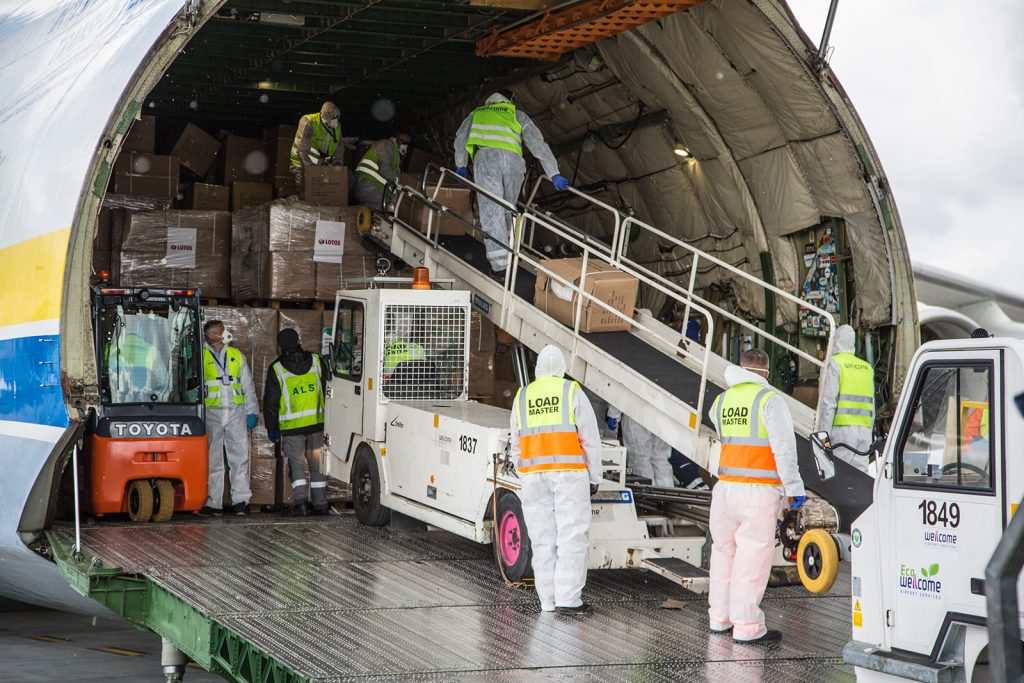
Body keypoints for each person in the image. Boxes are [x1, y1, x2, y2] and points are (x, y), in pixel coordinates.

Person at [708, 348, 806, 643]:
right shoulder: (769, 400)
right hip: (757, 491)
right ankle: (747, 626)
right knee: (752, 556)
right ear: (765, 373)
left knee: (724, 553)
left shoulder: (722, 401)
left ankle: (719, 618)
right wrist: (795, 493)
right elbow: (784, 451)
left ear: (740, 367)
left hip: (725, 488)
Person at [509, 345, 603, 616]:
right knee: (571, 537)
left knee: (542, 540)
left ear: (538, 369)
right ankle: (569, 599)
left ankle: (548, 601)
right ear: (562, 368)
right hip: (568, 475)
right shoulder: (571, 391)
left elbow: (515, 442)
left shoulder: (523, 396)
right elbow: (590, 438)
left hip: (533, 478)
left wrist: (523, 471)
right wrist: (594, 476)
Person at [453, 90, 569, 278]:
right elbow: (538, 144)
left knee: (492, 212)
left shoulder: (477, 114)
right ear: (509, 101)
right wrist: (553, 173)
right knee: (508, 210)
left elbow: (461, 138)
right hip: (514, 162)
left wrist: (461, 164)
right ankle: (509, 253)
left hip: (487, 159)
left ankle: (500, 266)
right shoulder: (517, 114)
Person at [264, 328, 332, 516]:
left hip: (292, 429)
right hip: (318, 425)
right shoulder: (317, 361)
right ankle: (320, 504)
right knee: (317, 463)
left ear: (280, 346)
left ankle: (301, 503)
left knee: (297, 465)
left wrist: (272, 428)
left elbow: (271, 401)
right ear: (298, 341)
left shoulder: (276, 368)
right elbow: (330, 388)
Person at [199, 320, 258, 516]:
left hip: (235, 412)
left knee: (239, 457)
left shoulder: (235, 355)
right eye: (221, 331)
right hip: (212, 413)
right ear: (212, 336)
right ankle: (212, 503)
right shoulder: (200, 356)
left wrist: (252, 411)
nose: (226, 334)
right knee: (212, 459)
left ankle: (241, 501)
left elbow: (247, 385)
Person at [816, 324, 874, 474]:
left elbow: (828, 405)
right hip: (864, 432)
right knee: (860, 478)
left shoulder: (833, 364)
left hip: (842, 432)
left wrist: (823, 439)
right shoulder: (867, 368)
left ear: (834, 341)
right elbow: (872, 408)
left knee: (839, 478)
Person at [606, 408, 674, 487]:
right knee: (660, 458)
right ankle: (666, 491)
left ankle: (647, 494)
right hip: (663, 414)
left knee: (639, 460)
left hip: (636, 413)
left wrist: (613, 414)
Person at [290, 101, 343, 190]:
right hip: (301, 162)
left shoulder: (337, 126)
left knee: (319, 192)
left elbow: (339, 148)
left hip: (320, 163)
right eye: (334, 118)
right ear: (326, 116)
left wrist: (337, 164)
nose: (336, 121)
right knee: (304, 189)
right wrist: (311, 168)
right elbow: (302, 150)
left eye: (338, 117)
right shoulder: (309, 121)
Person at [354, 132, 411, 210]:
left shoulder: (395, 153)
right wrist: (399, 186)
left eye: (408, 143)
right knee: (396, 205)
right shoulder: (385, 145)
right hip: (368, 185)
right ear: (396, 137)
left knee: (398, 204)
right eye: (403, 142)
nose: (405, 145)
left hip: (375, 186)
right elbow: (385, 169)